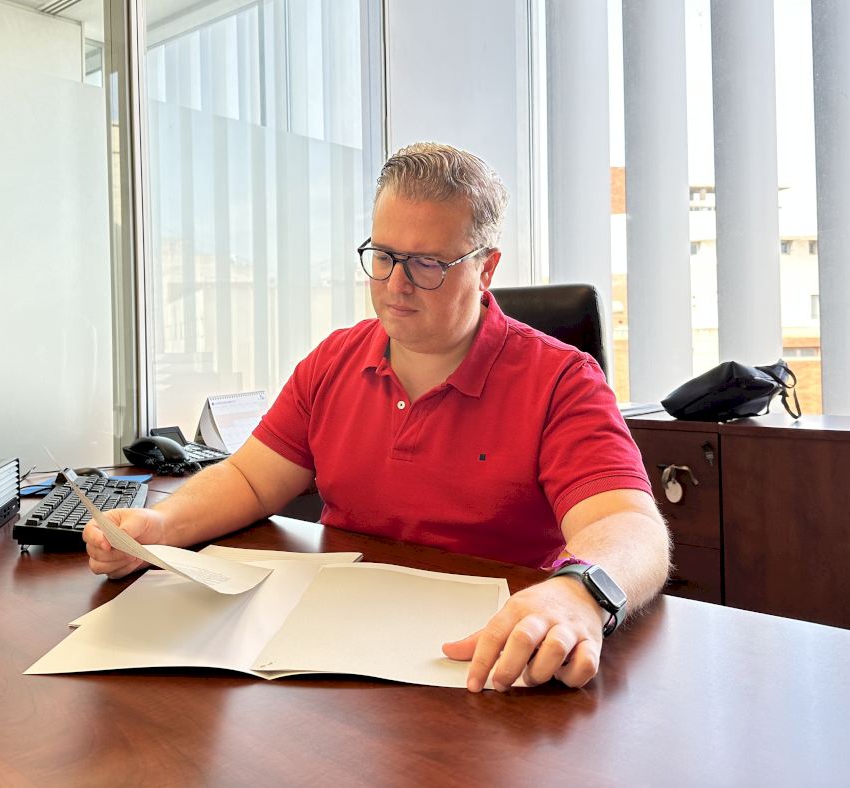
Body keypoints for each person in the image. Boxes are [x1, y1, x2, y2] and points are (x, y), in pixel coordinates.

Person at [85, 142, 671, 692]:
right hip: (329, 654)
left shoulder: (561, 379)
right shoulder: (334, 360)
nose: (395, 285)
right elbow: (250, 479)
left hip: (489, 662)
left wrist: (578, 591)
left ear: (486, 268)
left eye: (426, 264)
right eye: (385, 257)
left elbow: (629, 525)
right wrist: (161, 526)